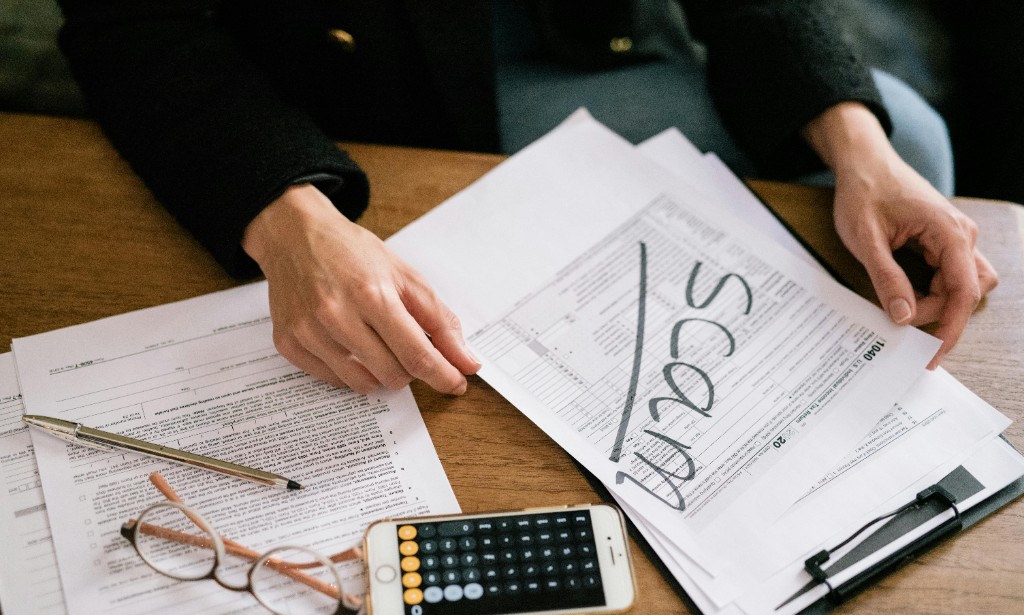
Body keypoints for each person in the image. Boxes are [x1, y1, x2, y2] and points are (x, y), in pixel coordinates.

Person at [55, 0, 996, 396]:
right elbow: (131, 26)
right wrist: (284, 211)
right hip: (352, 92)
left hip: (585, 46)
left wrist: (853, 136)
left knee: (904, 136)